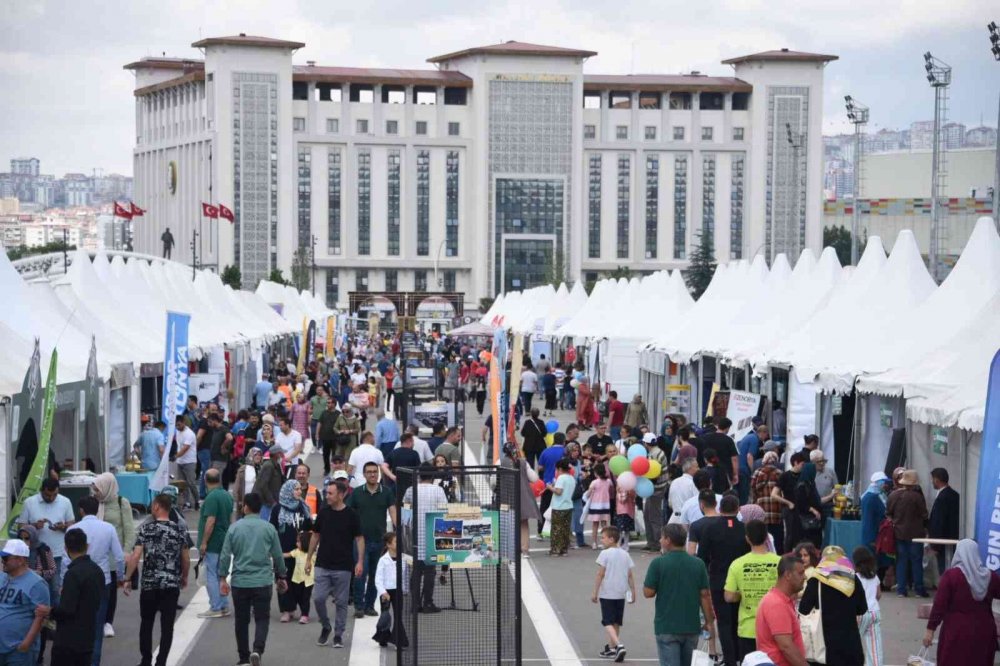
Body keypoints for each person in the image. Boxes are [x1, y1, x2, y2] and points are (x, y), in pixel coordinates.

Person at [219, 492, 289, 666]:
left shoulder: (234, 528)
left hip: (240, 581)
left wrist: (222, 578)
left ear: (246, 507)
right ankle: (257, 650)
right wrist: (281, 575)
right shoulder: (268, 528)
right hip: (263, 581)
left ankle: (243, 656)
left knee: (241, 620)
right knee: (262, 618)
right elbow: (278, 556)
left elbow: (225, 555)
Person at [122, 494, 190, 666]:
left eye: (153, 505)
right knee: (167, 626)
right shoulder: (179, 529)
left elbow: (136, 555)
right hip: (170, 583)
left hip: (149, 584)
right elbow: (185, 557)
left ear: (158, 506)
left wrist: (127, 578)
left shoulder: (146, 529)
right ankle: (161, 661)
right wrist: (185, 576)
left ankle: (146, 660)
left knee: (147, 622)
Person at [643, 524, 714, 666]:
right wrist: (709, 622)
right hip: (691, 625)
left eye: (662, 537)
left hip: (666, 625)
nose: (660, 540)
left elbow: (648, 592)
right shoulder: (698, 564)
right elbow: (705, 595)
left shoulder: (658, 563)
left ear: (668, 540)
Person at [305, 480, 364, 649]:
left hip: (343, 567)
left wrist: (359, 561)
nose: (327, 496)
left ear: (341, 494)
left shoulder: (352, 515)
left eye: (330, 493)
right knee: (318, 598)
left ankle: (338, 634)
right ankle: (326, 626)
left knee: (341, 602)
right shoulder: (324, 513)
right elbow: (315, 536)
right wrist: (309, 559)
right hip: (322, 564)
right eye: (327, 493)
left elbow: (359, 538)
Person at [922, 539, 1000, 665]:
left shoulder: (951, 576)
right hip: (984, 632)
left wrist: (930, 630)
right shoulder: (990, 577)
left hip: (956, 632)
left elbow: (939, 606)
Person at [696, 494, 748, 666]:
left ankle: (730, 660)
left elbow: (702, 556)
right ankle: (741, 656)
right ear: (738, 508)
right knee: (739, 620)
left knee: (724, 622)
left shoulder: (710, 529)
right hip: (742, 582)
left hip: (719, 580)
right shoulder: (744, 528)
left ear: (720, 508)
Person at [73, 495, 124, 666]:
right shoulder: (108, 528)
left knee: (78, 623)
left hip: (77, 579)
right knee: (97, 625)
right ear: (98, 510)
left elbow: (67, 559)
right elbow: (119, 557)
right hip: (102, 579)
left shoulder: (73, 528)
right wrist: (121, 577)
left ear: (81, 510)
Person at [799, 545, 868, 666]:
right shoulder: (853, 579)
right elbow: (862, 609)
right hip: (850, 647)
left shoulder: (816, 579)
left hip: (824, 647)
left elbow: (803, 609)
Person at [724, 519, 780, 661]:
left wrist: (741, 594)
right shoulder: (780, 562)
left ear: (747, 539)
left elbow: (729, 597)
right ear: (767, 537)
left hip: (748, 628)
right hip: (776, 627)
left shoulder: (737, 564)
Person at [347, 462, 397, 618]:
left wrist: (399, 531)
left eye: (375, 472)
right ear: (364, 474)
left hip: (380, 541)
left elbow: (393, 512)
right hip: (360, 541)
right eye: (369, 472)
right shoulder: (356, 493)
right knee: (361, 573)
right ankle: (359, 606)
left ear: (379, 474)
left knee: (376, 575)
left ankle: (369, 605)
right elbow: (349, 514)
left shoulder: (386, 492)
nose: (373, 474)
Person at [90, 472, 135, 640]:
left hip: (114, 553)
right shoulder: (94, 503)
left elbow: (129, 529)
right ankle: (96, 619)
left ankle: (108, 621)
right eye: (94, 489)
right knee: (96, 587)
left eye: (98, 489)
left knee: (111, 590)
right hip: (97, 551)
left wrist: (126, 551)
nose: (95, 492)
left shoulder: (121, 502)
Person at [16, 478, 74, 606]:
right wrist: (34, 526)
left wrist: (62, 527)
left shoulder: (65, 502)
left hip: (57, 552)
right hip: (34, 554)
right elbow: (21, 527)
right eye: (48, 495)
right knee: (33, 585)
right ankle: (37, 616)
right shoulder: (29, 503)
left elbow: (72, 526)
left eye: (55, 495)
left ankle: (54, 618)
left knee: (55, 588)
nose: (52, 498)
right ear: (42, 490)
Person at [50, 528, 102, 666]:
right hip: (88, 636)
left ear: (66, 548)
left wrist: (50, 612)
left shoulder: (72, 574)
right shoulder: (97, 570)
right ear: (87, 546)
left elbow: (67, 609)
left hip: (68, 641)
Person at [401, 463, 449, 614]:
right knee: (430, 571)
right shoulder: (438, 490)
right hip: (431, 535)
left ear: (419, 475)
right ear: (433, 476)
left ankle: (414, 604)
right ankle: (428, 602)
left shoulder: (411, 490)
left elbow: (405, 507)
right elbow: (444, 510)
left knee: (416, 571)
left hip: (413, 535)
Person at [0, 538, 50, 665]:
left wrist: (26, 644)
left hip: (18, 652)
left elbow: (42, 618)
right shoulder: (2, 577)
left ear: (20, 560)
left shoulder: (37, 584)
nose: (2, 561)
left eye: (6, 558)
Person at [269, 479, 313, 623]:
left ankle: (302, 610)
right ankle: (287, 610)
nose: (300, 491)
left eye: (300, 489)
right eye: (296, 489)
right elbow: (272, 530)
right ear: (288, 491)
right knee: (283, 581)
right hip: (283, 551)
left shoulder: (303, 507)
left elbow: (309, 528)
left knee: (300, 582)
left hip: (301, 552)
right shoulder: (277, 509)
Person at [591, 525, 636, 663]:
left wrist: (595, 592)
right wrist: (633, 591)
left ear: (611, 539)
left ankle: (618, 645)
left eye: (603, 538)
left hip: (607, 593)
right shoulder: (625, 554)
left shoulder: (605, 554)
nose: (602, 540)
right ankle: (611, 648)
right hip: (620, 593)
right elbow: (630, 575)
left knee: (607, 621)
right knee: (616, 622)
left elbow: (600, 574)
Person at [755, 555, 808, 666]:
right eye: (800, 573)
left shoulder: (780, 600)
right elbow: (786, 646)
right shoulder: (776, 603)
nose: (805, 577)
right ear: (788, 575)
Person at [195, 468, 234, 619]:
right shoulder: (226, 496)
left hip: (212, 542)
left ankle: (215, 606)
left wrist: (204, 542)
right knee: (221, 574)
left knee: (211, 574)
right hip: (224, 539)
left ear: (205, 480)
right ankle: (223, 605)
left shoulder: (211, 498)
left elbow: (210, 521)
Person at [886, 469, 928, 597]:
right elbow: (924, 514)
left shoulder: (893, 495)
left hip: (899, 533)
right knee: (916, 561)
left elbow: (888, 513)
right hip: (916, 534)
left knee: (901, 561)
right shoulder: (917, 497)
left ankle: (901, 590)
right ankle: (919, 589)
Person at [373, 532, 408, 648]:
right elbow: (378, 578)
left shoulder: (403, 558)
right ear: (388, 545)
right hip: (386, 592)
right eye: (396, 542)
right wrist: (383, 592)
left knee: (398, 616)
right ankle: (383, 637)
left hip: (398, 591)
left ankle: (399, 641)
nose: (398, 544)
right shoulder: (383, 560)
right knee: (385, 615)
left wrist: (404, 589)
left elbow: (405, 575)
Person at [852, 545, 883, 666]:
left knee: (853, 643)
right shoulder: (874, 576)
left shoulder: (855, 577)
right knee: (875, 648)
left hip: (860, 613)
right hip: (875, 612)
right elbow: (879, 594)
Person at [860, 472, 891, 583]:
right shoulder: (872, 498)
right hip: (874, 534)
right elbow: (871, 519)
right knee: (875, 559)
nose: (886, 485)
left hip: (874, 533)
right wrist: (871, 538)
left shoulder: (871, 495)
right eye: (884, 482)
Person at [751, 451, 784, 553]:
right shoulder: (780, 473)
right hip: (776, 512)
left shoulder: (757, 473)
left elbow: (753, 490)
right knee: (778, 537)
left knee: (764, 536)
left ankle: (764, 553)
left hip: (762, 511)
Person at [928, 467, 960, 575]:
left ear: (937, 479)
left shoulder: (942, 498)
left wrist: (935, 545)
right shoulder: (955, 495)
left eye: (933, 479)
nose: (932, 482)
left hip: (942, 541)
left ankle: (946, 590)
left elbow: (938, 522)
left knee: (944, 570)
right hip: (954, 538)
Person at [771, 452, 806, 548]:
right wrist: (788, 503)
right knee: (790, 534)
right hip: (789, 509)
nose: (803, 467)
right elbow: (774, 494)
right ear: (795, 463)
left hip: (802, 509)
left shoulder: (804, 476)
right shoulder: (785, 476)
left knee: (802, 535)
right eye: (802, 464)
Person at [642, 432, 670, 552]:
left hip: (655, 489)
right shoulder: (659, 452)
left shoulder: (653, 455)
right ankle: (651, 541)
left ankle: (656, 543)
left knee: (653, 516)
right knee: (648, 514)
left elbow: (653, 474)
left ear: (646, 443)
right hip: (657, 488)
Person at [536, 435, 567, 537]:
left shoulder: (546, 451)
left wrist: (548, 469)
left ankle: (541, 531)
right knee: (560, 508)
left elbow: (539, 467)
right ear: (563, 441)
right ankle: (559, 531)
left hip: (547, 484)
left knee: (544, 507)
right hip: (561, 483)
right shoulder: (565, 451)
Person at [698, 417, 739, 490]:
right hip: (725, 473)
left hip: (707, 471)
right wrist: (735, 474)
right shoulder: (728, 440)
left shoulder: (706, 438)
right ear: (727, 428)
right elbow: (734, 458)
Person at [548, 459, 576, 556]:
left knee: (556, 529)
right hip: (568, 505)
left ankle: (555, 550)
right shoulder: (571, 478)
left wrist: (550, 488)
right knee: (565, 529)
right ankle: (564, 550)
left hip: (559, 506)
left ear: (559, 468)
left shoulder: (561, 478)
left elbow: (559, 492)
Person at [287, 531, 315, 626]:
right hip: (297, 579)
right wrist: (277, 555)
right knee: (297, 596)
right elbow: (288, 555)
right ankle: (302, 611)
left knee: (305, 598)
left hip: (308, 580)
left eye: (298, 542)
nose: (296, 543)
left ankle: (305, 614)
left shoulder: (312, 554)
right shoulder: (297, 552)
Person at [736, 425, 769, 504]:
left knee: (738, 494)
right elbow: (749, 456)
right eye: (766, 435)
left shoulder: (749, 436)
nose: (766, 437)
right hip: (744, 470)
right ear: (763, 433)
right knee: (744, 495)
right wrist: (753, 471)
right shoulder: (755, 440)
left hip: (738, 468)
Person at [173, 415, 199, 510]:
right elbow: (178, 445)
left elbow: (185, 448)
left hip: (190, 461)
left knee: (191, 483)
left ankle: (197, 500)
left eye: (179, 425)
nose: (177, 427)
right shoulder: (178, 432)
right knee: (183, 484)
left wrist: (175, 456)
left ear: (183, 422)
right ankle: (186, 502)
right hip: (180, 461)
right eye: (176, 425)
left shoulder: (190, 434)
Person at [586, 463, 614, 548]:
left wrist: (587, 494)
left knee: (595, 525)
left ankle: (594, 543)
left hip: (595, 505)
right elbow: (611, 487)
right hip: (605, 505)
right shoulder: (608, 481)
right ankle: (605, 543)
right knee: (604, 525)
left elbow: (588, 493)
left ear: (596, 473)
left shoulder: (594, 482)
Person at [667, 457, 699, 524]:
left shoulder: (674, 482)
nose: (698, 469)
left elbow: (670, 503)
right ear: (690, 468)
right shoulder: (693, 483)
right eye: (697, 467)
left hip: (674, 519)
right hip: (688, 519)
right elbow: (697, 503)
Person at [235, 446, 264, 517]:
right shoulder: (243, 469)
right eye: (255, 455)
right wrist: (239, 501)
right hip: (245, 502)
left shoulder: (263, 469)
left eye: (260, 455)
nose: (258, 457)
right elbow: (237, 486)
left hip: (259, 502)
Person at [809, 449, 838, 517]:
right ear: (812, 462)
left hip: (828, 507)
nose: (822, 463)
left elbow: (837, 488)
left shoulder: (830, 472)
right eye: (819, 461)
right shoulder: (808, 474)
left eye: (824, 461)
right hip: (813, 508)